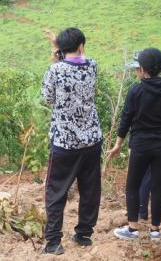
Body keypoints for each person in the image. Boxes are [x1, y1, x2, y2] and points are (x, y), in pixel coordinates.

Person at [41, 28, 103, 255]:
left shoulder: (55, 70)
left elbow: (48, 98)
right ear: (81, 46)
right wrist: (59, 49)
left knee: (56, 191)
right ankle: (84, 234)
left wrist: (55, 54)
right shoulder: (93, 65)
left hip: (64, 142)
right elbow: (78, 62)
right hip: (91, 140)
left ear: (60, 49)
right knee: (90, 188)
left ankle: (54, 242)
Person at [107, 48, 161, 242]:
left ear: (142, 69)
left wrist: (118, 144)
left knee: (132, 185)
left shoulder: (136, 90)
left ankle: (132, 229)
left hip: (141, 145)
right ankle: (155, 231)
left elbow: (126, 119)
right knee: (158, 186)